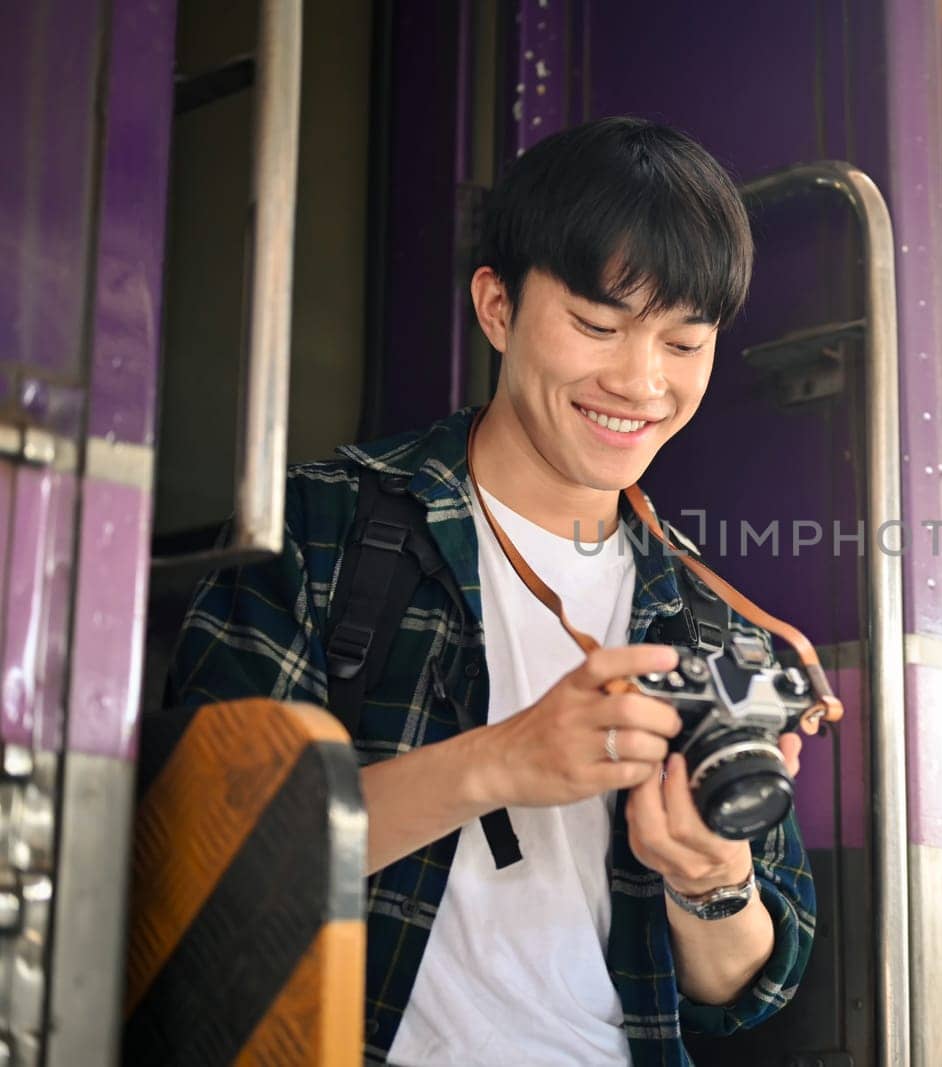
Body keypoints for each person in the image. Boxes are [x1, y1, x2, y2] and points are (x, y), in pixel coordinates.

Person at [167, 116, 814, 1066]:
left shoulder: (720, 627)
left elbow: (743, 987)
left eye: (685, 342)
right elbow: (193, 860)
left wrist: (712, 880)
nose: (641, 381)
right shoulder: (317, 526)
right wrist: (502, 760)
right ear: (498, 307)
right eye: (598, 325)